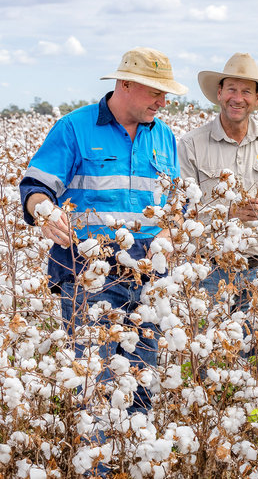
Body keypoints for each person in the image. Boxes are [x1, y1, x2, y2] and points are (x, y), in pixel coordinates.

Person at [20, 47, 188, 411]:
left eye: (165, 94)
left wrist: (169, 232)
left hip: (147, 274)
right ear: (125, 84)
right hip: (88, 272)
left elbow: (177, 201)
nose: (162, 102)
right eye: (156, 92)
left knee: (142, 380)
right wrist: (45, 212)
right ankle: (97, 467)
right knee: (93, 381)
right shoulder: (74, 127)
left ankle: (133, 457)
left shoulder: (164, 137)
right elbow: (35, 187)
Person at [178, 52, 258, 310]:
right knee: (209, 347)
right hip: (209, 271)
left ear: (257, 98)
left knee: (256, 350)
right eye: (231, 89)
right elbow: (180, 210)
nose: (237, 98)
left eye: (246, 92)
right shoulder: (191, 144)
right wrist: (230, 213)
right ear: (219, 93)